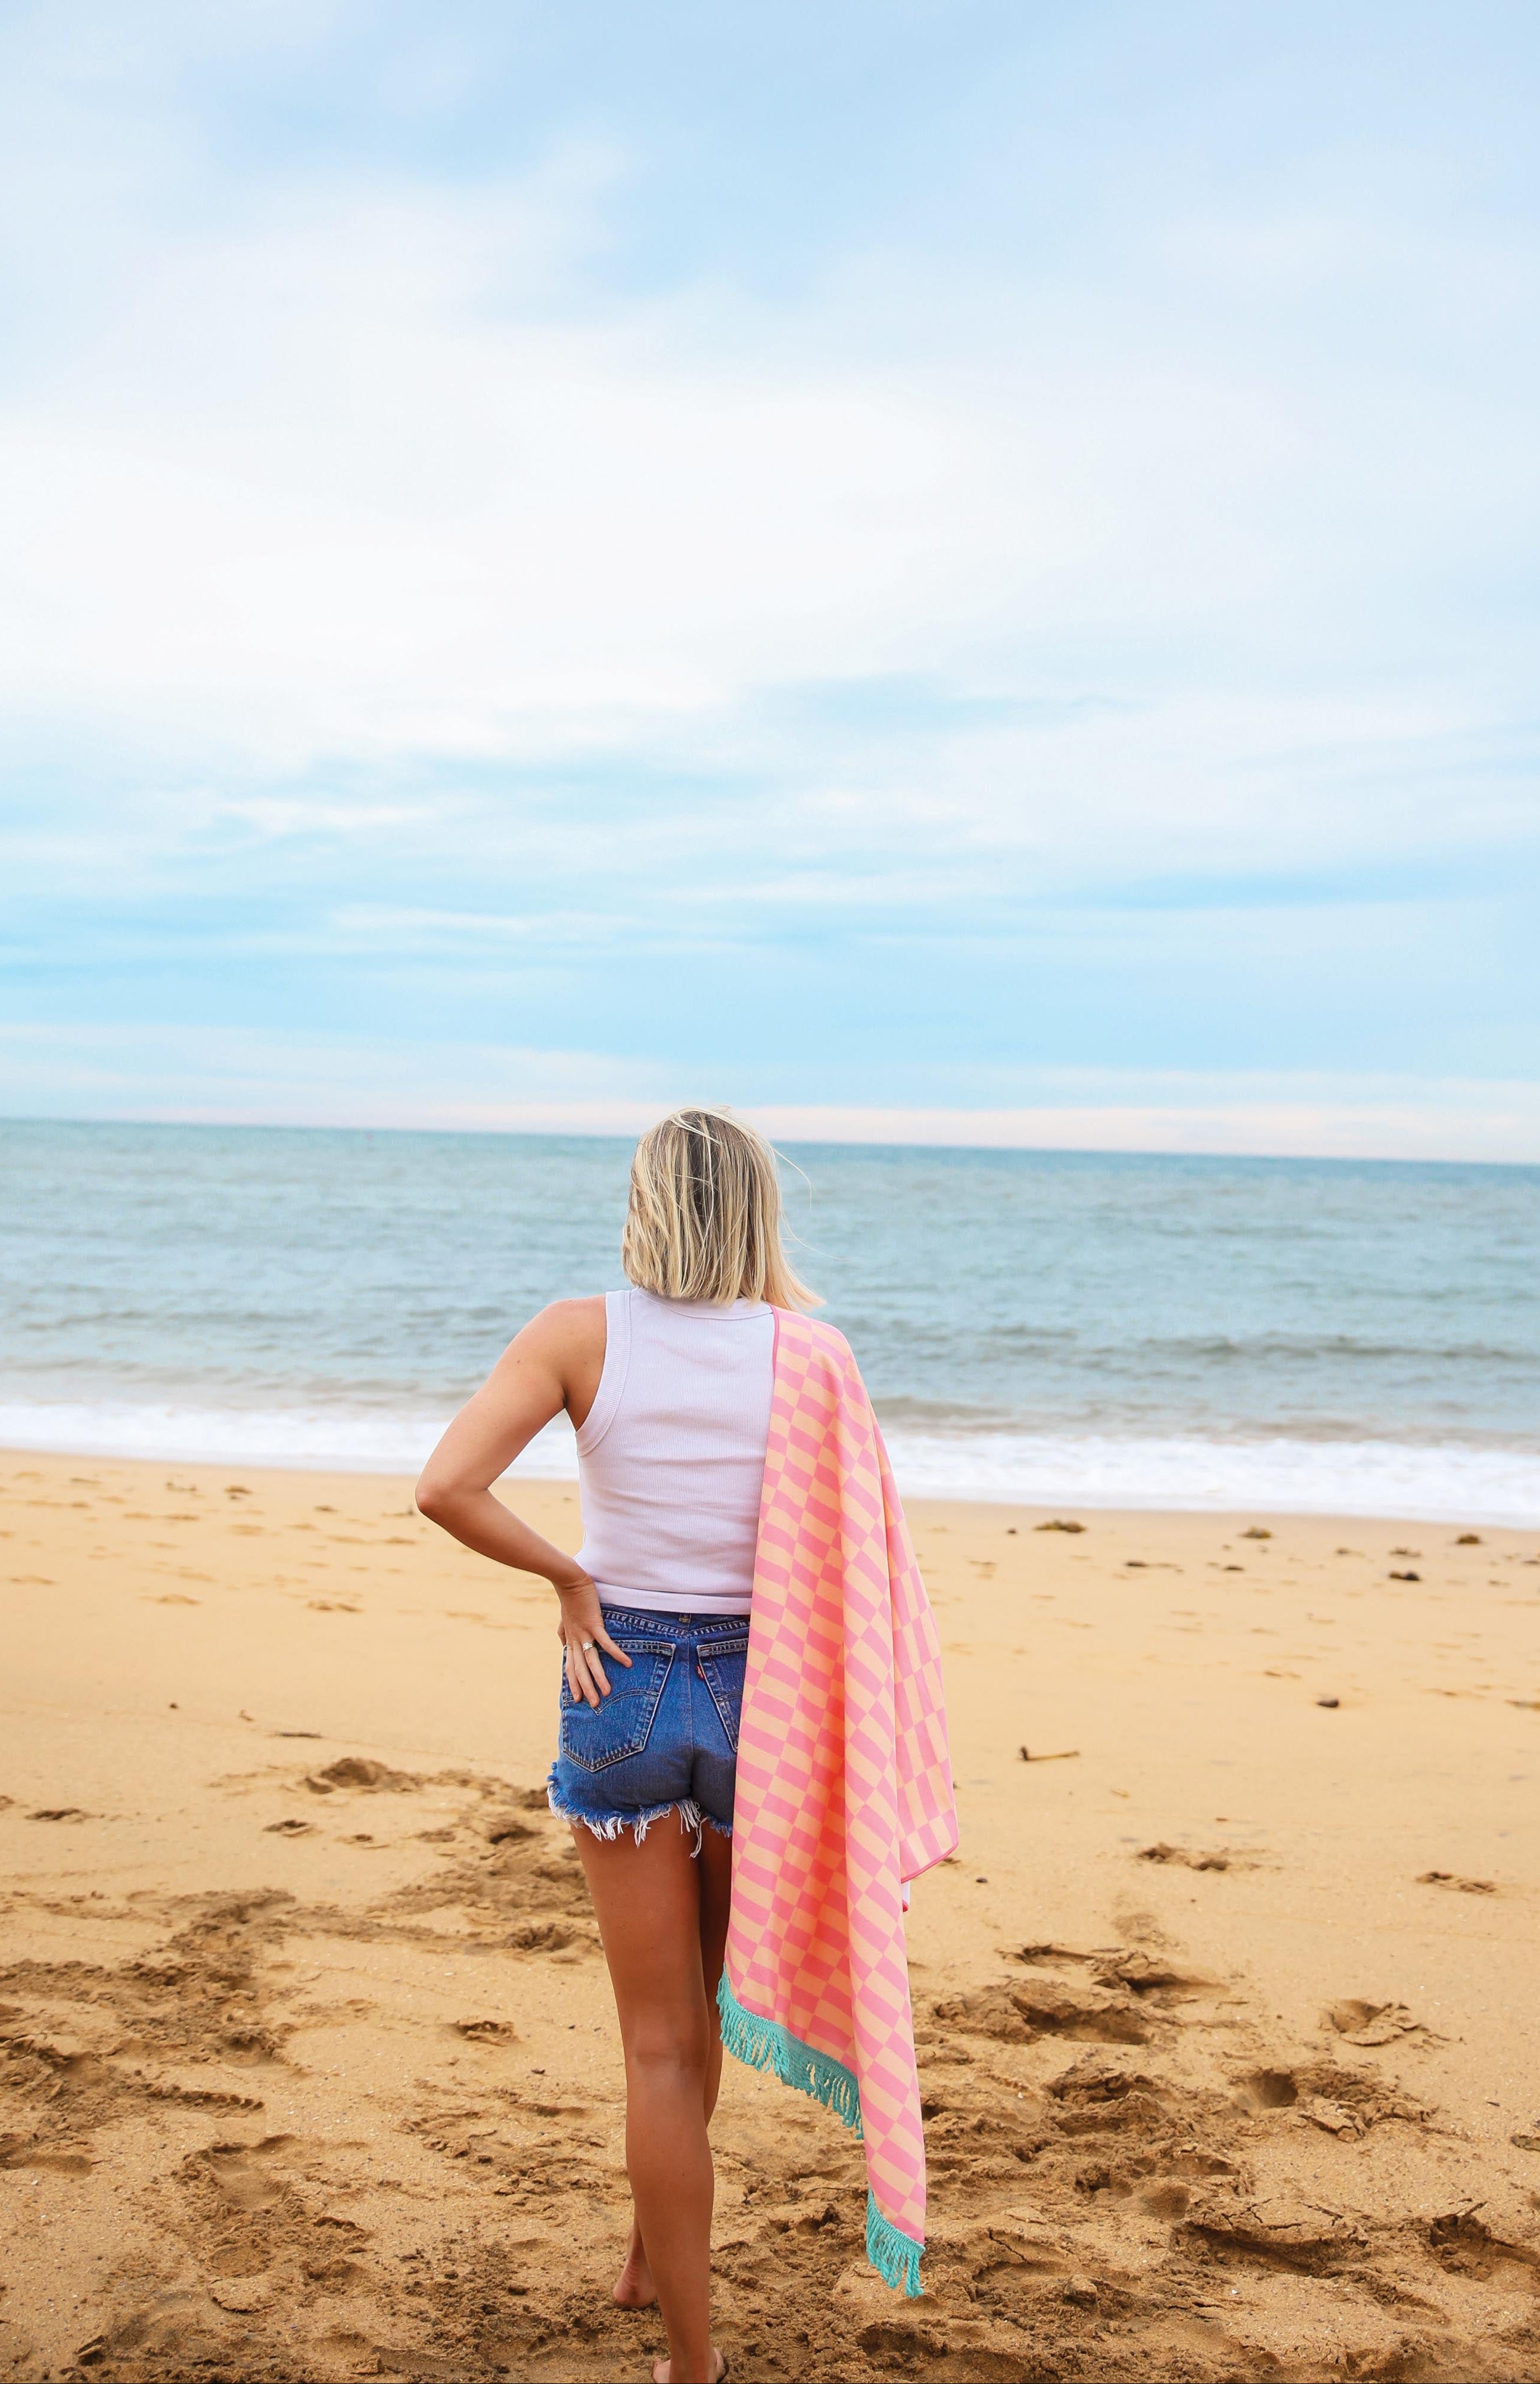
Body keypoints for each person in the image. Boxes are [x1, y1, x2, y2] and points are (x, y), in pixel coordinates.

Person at [416, 1106, 816, 2384]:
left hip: (623, 1679)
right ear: (757, 1207)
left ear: (644, 1201)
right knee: (700, 2020)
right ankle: (659, 2264)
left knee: (653, 2043)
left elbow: (446, 1486)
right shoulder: (812, 1354)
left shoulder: (579, 1331)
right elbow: (855, 1558)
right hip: (764, 1692)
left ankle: (684, 2351)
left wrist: (572, 1583)